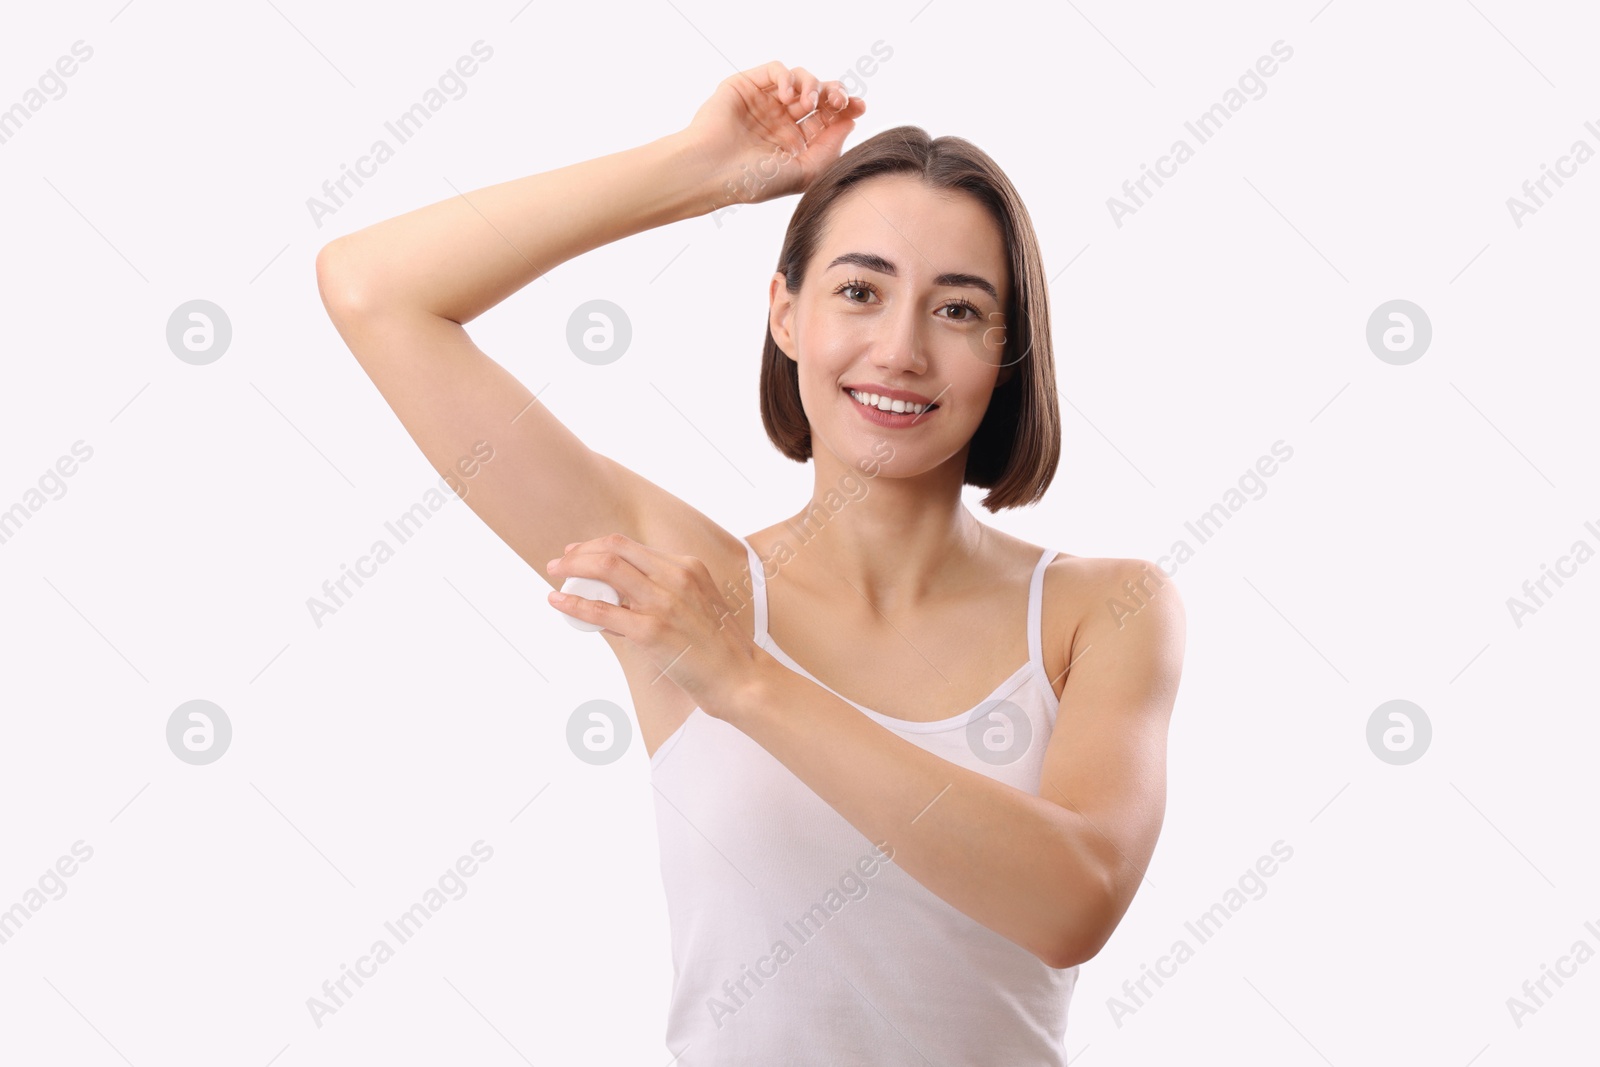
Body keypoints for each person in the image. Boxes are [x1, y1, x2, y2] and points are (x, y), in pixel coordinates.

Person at [316, 59, 1185, 1065]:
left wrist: (746, 681)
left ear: (1009, 348)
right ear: (786, 314)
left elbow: (1069, 899)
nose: (899, 349)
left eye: (956, 310)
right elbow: (373, 289)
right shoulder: (685, 580)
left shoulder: (1101, 607)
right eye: (858, 290)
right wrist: (696, 169)